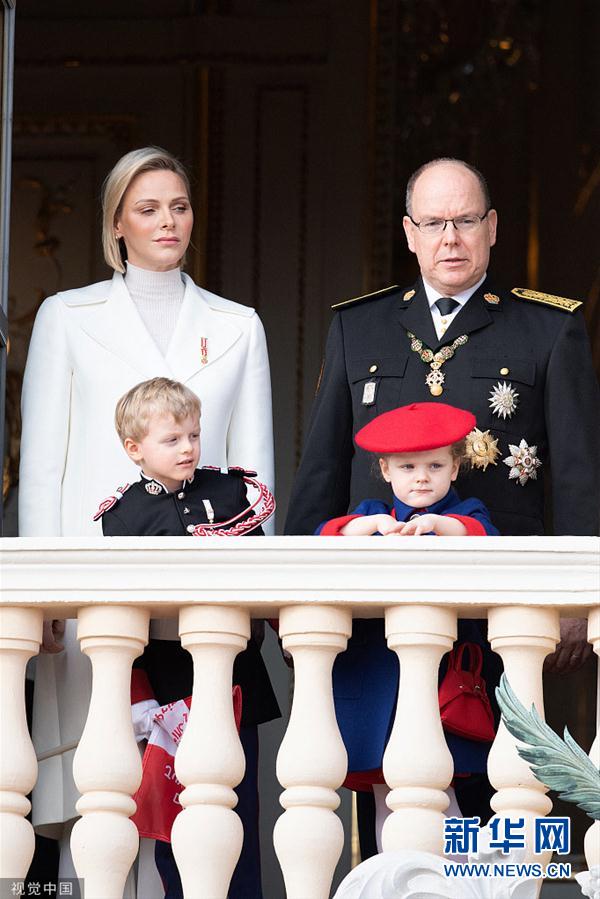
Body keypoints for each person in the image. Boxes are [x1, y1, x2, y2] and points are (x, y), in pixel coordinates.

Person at [19, 146, 274, 894]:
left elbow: (255, 473)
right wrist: (44, 594)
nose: (168, 221)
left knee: (200, 804)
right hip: (93, 594)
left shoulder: (239, 324)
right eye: (148, 208)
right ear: (116, 224)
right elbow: (44, 467)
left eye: (179, 206)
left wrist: (258, 593)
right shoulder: (66, 317)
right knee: (99, 799)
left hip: (205, 599)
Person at [286, 156, 600, 673]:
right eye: (433, 223)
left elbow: (578, 477)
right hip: (370, 601)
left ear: (491, 227)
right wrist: (293, 591)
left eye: (465, 220)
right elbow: (322, 465)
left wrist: (577, 596)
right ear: (410, 234)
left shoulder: (547, 328)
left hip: (502, 602)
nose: (450, 239)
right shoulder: (358, 326)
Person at [98, 377, 280, 898]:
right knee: (174, 815)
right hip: (168, 681)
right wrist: (137, 694)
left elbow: (265, 575)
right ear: (134, 449)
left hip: (235, 676)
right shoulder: (124, 515)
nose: (188, 448)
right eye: (172, 439)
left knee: (239, 809)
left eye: (194, 436)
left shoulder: (229, 493)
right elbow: (126, 611)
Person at [317, 402, 499, 850]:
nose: (421, 478)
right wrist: (371, 525)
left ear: (454, 468)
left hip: (439, 675)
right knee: (386, 793)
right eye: (407, 467)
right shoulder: (372, 512)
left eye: (435, 466)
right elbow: (325, 536)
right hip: (377, 676)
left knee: (438, 790)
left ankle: (457, 880)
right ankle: (397, 877)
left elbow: (483, 535)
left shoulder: (466, 511)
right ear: (385, 469)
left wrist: (438, 524)